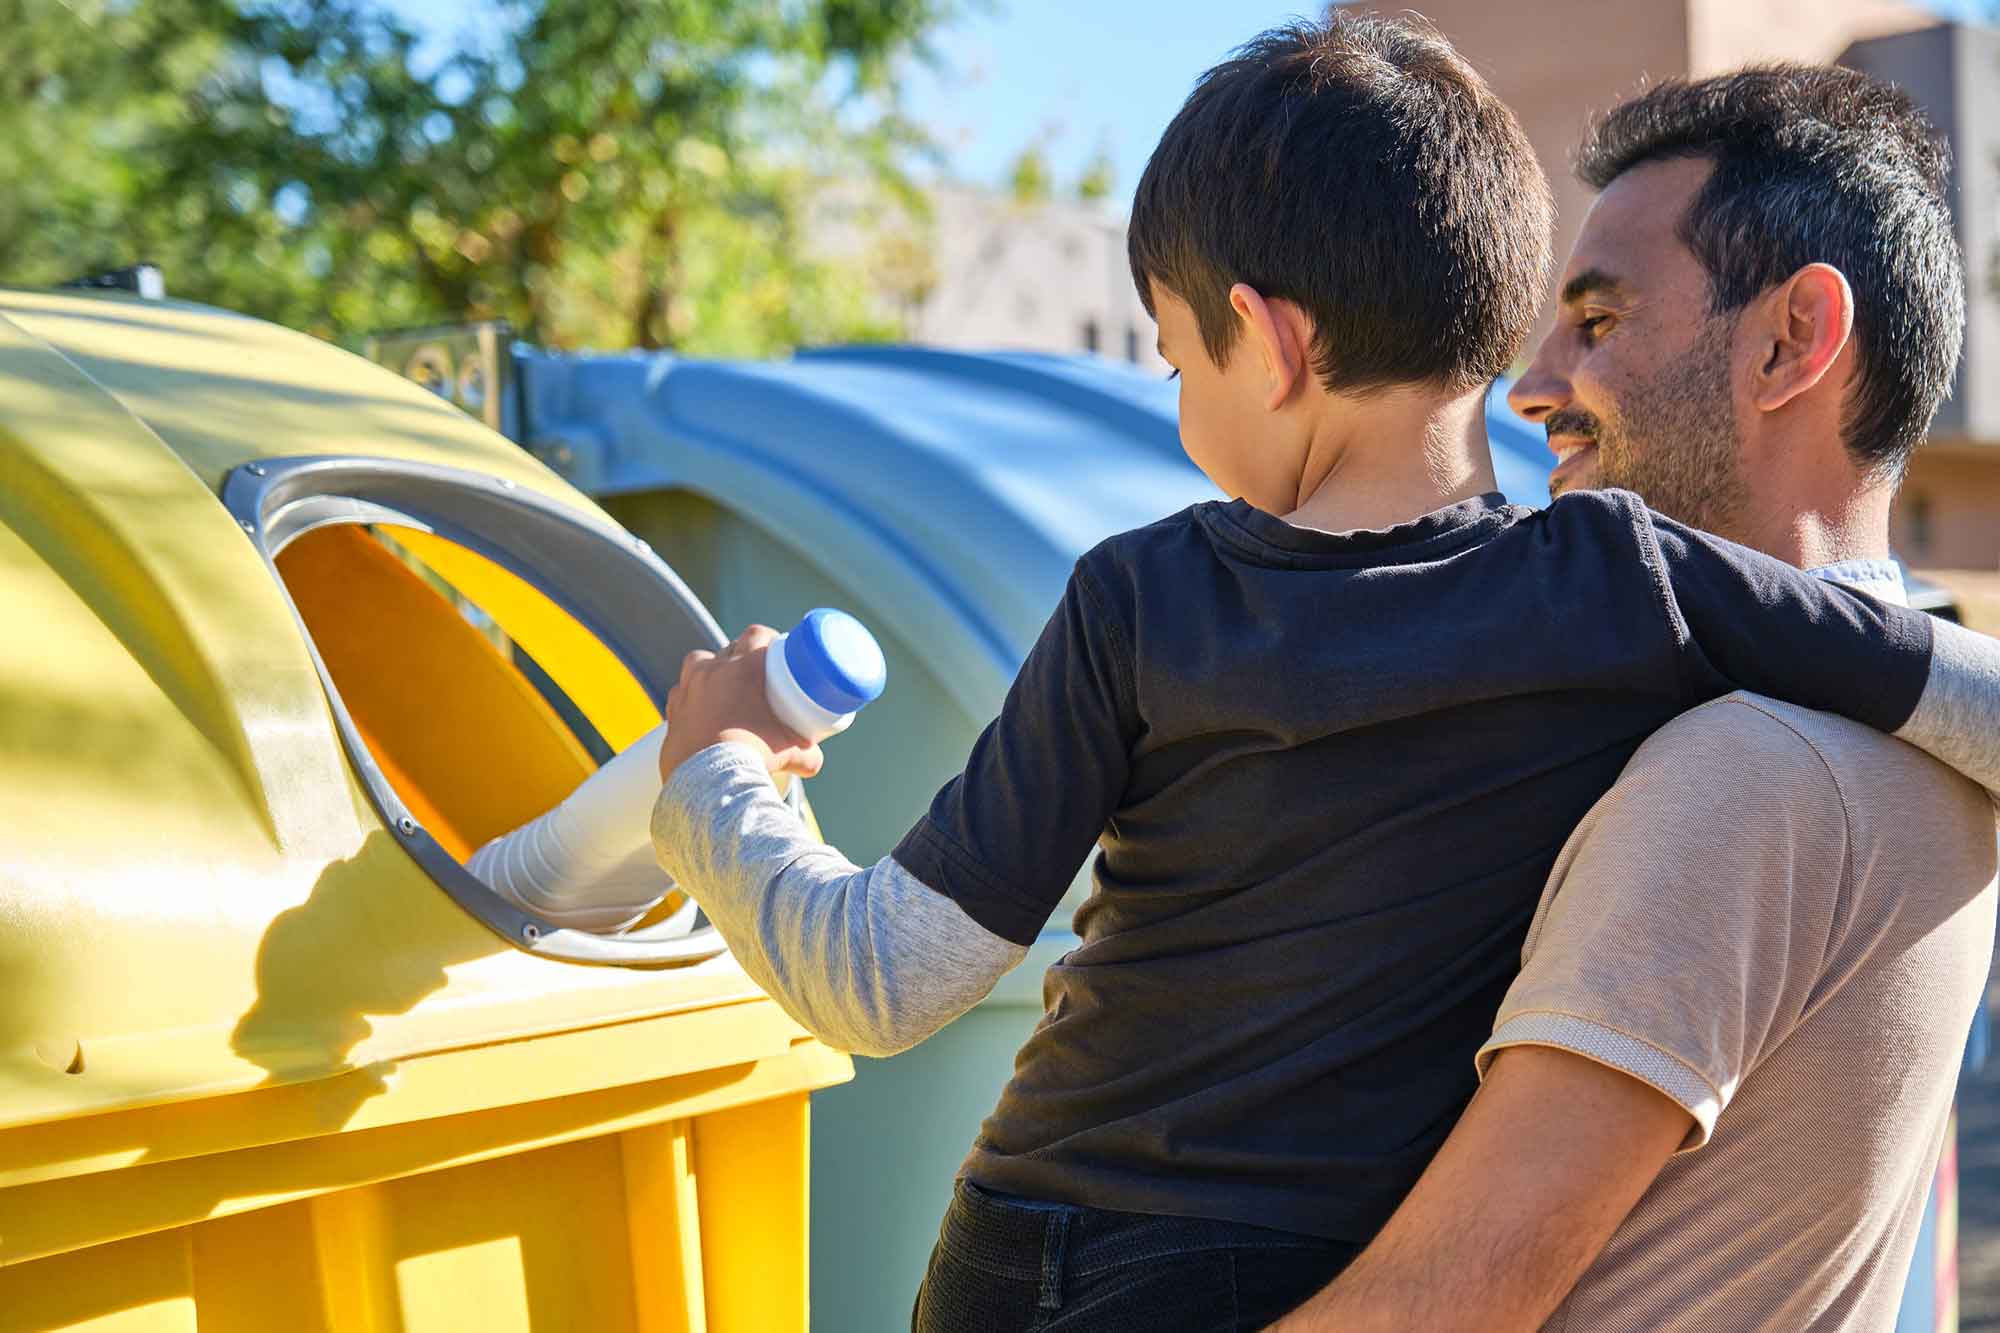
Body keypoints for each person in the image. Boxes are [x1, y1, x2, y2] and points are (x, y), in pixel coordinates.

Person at [649, 17, 2000, 1330]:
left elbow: (881, 977)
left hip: (1054, 1258)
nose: (1182, 408)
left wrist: (718, 777)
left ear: (1268, 340)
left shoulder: (1145, 600)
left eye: (1176, 360)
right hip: (1316, 1260)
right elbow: (1918, 671)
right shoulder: (1626, 582)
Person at [1271, 66, 1998, 1333]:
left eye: (1596, 321)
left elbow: (1433, 1309)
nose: (1529, 385)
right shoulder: (1921, 746)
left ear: (1790, 339)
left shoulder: (1749, 772)